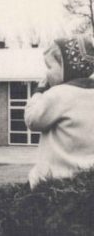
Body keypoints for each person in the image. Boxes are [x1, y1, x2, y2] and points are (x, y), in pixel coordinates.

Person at [25, 36, 94, 189]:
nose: (47, 73)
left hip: (55, 180)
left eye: (49, 67)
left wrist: (38, 92)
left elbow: (32, 119)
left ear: (67, 68)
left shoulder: (58, 95)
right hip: (86, 179)